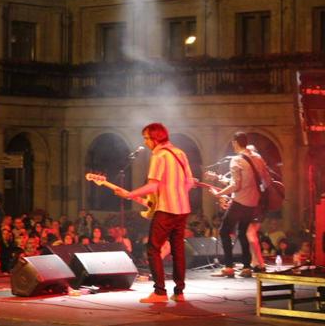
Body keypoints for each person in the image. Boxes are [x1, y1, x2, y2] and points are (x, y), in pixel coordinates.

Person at [113, 123, 194, 303]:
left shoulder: (159, 155)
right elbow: (190, 182)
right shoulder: (180, 153)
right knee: (178, 250)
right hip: (183, 209)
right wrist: (178, 193)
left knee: (153, 249)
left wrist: (130, 194)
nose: (145, 142)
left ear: (155, 138)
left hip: (166, 208)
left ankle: (159, 292)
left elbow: (153, 185)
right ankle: (179, 292)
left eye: (146, 138)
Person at [209, 132, 271, 278]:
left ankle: (229, 267)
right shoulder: (258, 158)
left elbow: (236, 185)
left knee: (224, 231)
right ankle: (247, 267)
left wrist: (218, 194)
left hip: (240, 202)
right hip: (253, 203)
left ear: (235, 143)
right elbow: (266, 180)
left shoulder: (236, 160)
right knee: (242, 232)